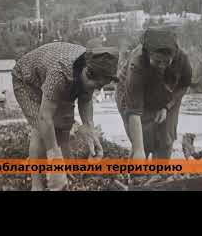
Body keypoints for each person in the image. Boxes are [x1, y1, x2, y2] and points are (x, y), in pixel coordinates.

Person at [12, 42, 119, 191]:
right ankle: (36, 184)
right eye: (96, 85)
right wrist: (54, 158)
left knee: (63, 124)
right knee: (40, 130)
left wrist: (90, 130)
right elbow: (45, 117)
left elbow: (86, 99)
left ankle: (67, 170)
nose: (97, 90)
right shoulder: (60, 73)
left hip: (52, 75)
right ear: (87, 72)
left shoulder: (92, 67)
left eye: (100, 86)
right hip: (27, 79)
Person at [116, 28, 192, 161]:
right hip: (132, 92)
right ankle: (138, 169)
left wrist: (166, 106)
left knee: (166, 139)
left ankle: (160, 174)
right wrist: (139, 150)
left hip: (167, 94)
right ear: (148, 54)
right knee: (142, 141)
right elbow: (134, 111)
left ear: (173, 56)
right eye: (157, 61)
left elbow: (183, 85)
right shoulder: (137, 64)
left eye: (166, 62)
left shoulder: (182, 59)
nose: (162, 66)